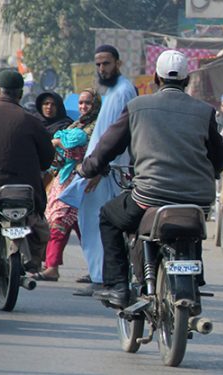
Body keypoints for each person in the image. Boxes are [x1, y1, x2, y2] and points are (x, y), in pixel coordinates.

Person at [79, 50, 223, 308]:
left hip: (149, 198)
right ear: (187, 79)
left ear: (157, 78)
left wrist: (88, 168)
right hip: (197, 202)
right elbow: (219, 159)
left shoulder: (137, 106)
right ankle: (195, 277)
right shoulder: (205, 112)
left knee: (109, 217)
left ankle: (117, 288)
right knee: (190, 228)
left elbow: (107, 147)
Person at [66, 44, 138, 295]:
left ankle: (102, 278)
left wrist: (100, 169)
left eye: (106, 63)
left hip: (106, 172)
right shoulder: (112, 91)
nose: (101, 68)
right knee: (90, 221)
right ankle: (99, 274)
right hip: (98, 167)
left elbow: (116, 136)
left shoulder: (122, 91)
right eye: (98, 64)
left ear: (117, 64)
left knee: (99, 222)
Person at [32, 89, 101, 282]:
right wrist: (57, 142)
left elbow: (72, 143)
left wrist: (56, 141)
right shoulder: (77, 124)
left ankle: (54, 267)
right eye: (80, 103)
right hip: (65, 179)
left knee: (65, 223)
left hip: (84, 180)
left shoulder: (97, 125)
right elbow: (59, 150)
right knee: (73, 224)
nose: (83, 107)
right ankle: (92, 269)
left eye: (87, 103)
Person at [0, 70, 56, 275]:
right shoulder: (32, 121)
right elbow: (47, 159)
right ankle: (31, 260)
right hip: (25, 195)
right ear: (20, 94)